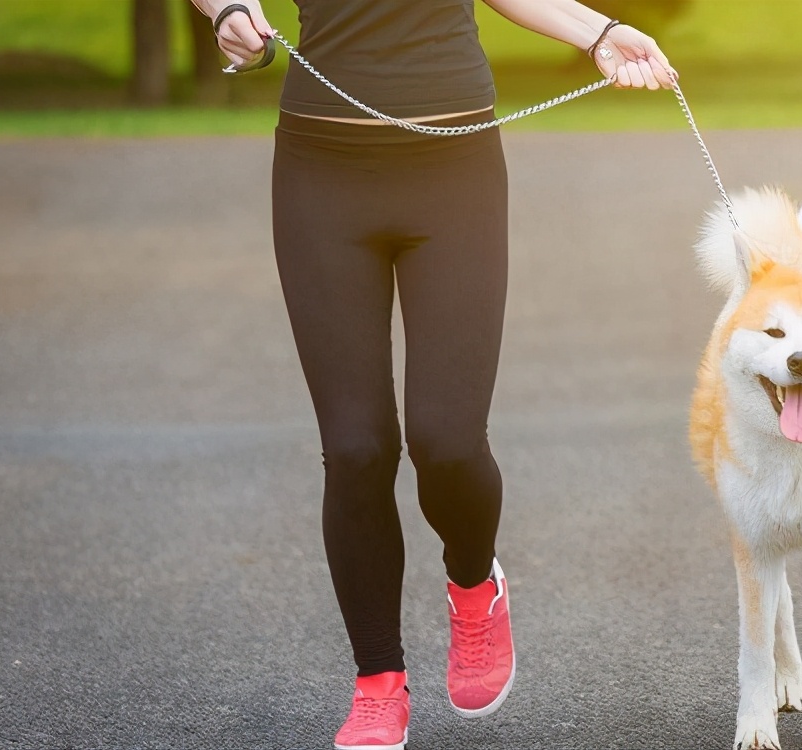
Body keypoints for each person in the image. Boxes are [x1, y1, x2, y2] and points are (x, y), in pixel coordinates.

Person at [186, 1, 677, 748]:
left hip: (453, 173)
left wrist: (600, 33)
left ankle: (475, 584)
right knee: (355, 448)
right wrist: (224, 8)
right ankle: (377, 682)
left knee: (446, 440)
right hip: (321, 176)